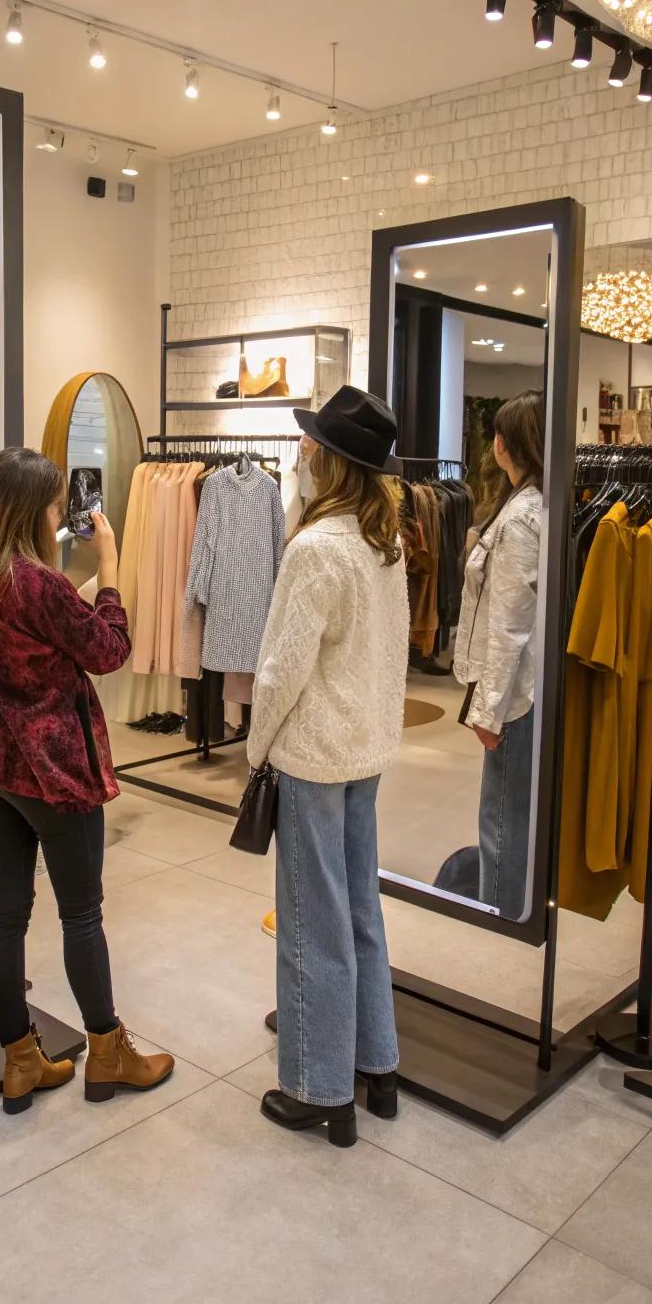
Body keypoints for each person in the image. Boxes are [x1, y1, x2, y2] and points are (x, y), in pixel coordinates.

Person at [0, 447, 175, 1116]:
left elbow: (31, 637)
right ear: (31, 510)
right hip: (52, 770)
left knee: (7, 914)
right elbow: (108, 651)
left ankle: (20, 1059)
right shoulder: (34, 582)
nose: (56, 514)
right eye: (50, 504)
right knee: (82, 914)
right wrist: (110, 569)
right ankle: (107, 1051)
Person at [247, 386, 410, 1148]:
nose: (302, 453)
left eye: (312, 444)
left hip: (315, 752)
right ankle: (378, 1065)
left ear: (333, 462)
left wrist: (256, 748)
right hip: (364, 747)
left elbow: (281, 669)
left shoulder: (316, 549)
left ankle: (318, 1088)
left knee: (313, 922)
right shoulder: (386, 541)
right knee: (359, 912)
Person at [453, 391, 544, 920]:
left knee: (502, 819)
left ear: (505, 444)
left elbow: (510, 626)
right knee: (507, 815)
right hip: (518, 691)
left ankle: (501, 924)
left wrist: (487, 712)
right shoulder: (527, 506)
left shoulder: (519, 520)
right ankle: (503, 911)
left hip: (515, 699)